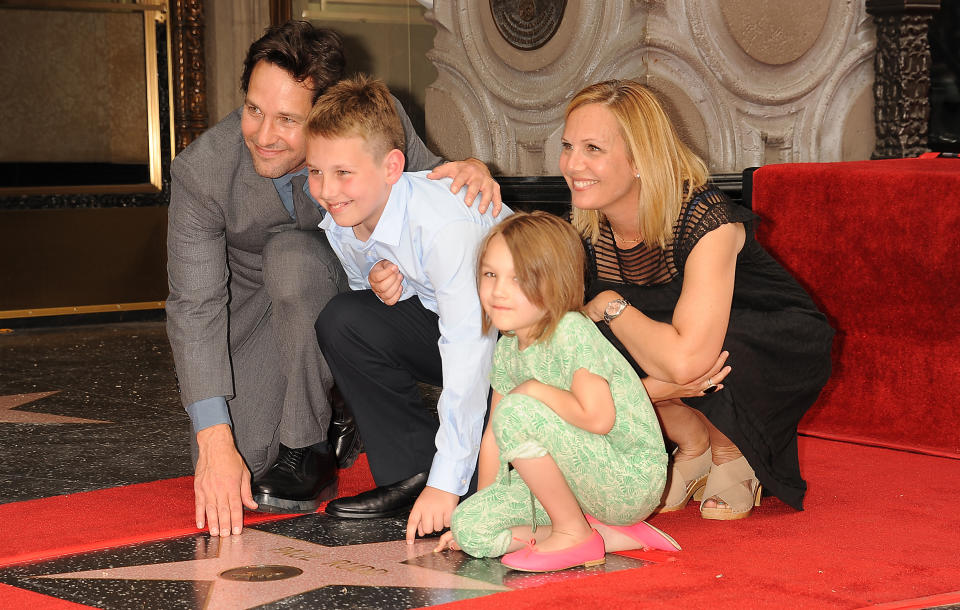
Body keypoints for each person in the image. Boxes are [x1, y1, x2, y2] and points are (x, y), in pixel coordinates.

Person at [165, 21, 502, 538]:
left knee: (293, 258)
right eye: (254, 110)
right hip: (259, 309)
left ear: (328, 114)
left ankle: (309, 443)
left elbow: (430, 192)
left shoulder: (371, 119)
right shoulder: (201, 171)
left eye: (287, 120)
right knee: (245, 469)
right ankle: (340, 415)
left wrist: (473, 170)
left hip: (345, 291)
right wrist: (213, 439)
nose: (263, 134)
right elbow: (195, 305)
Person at [562, 80, 834, 519]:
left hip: (769, 340)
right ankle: (693, 444)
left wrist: (611, 302)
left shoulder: (708, 219)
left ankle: (733, 452)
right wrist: (662, 388)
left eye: (593, 148)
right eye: (568, 145)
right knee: (588, 344)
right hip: (679, 353)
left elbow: (691, 361)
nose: (573, 164)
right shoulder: (585, 233)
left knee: (710, 341)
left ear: (640, 160)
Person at [307, 75, 510, 542]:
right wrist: (378, 285)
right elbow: (372, 298)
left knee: (476, 486)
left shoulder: (443, 226)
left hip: (518, 344)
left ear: (392, 167)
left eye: (342, 173)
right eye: (315, 171)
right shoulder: (344, 214)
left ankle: (449, 482)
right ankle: (411, 473)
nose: (326, 189)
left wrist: (448, 484)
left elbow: (470, 350)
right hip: (448, 325)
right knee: (345, 319)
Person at [433, 211, 682, 572]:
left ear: (556, 282)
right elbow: (493, 439)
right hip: (574, 483)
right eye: (490, 274)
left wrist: (533, 390)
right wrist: (489, 506)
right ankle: (599, 533)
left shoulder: (570, 330)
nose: (498, 290)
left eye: (518, 279)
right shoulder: (507, 348)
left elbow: (598, 418)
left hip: (626, 479)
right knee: (470, 527)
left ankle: (573, 533)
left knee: (517, 409)